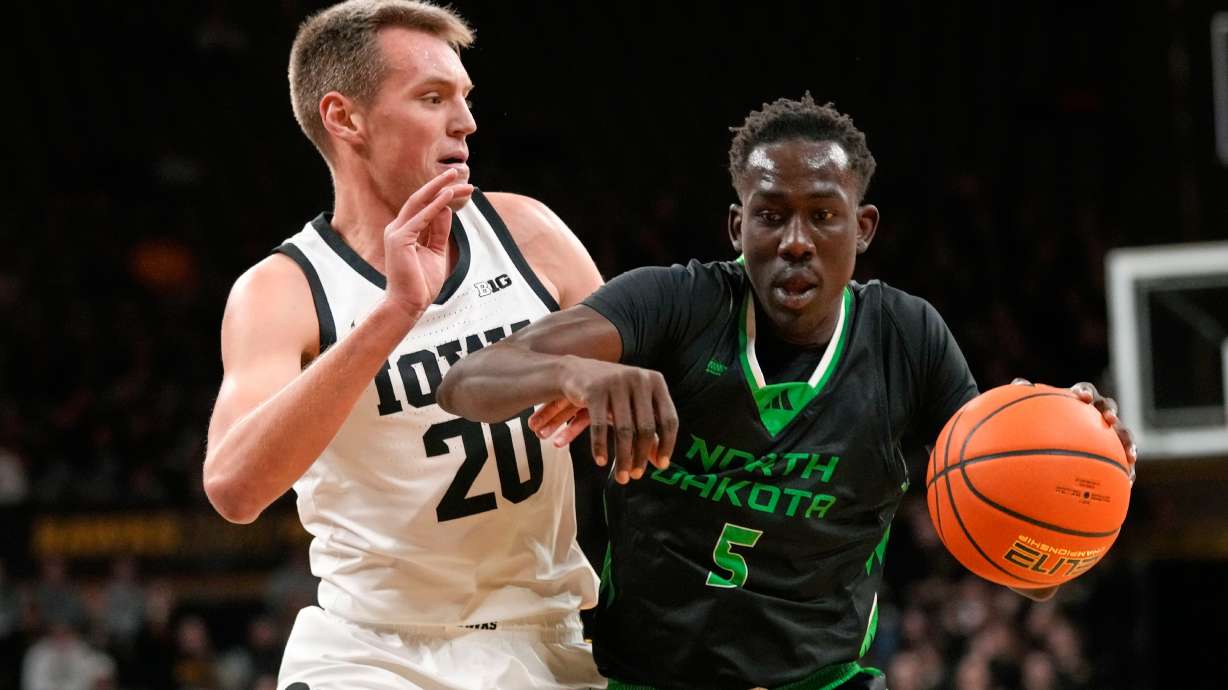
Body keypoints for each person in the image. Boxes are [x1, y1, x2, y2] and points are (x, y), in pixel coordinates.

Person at [436, 95, 1138, 689]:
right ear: (738, 228)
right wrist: (572, 371)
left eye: (823, 216)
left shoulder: (908, 337)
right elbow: (466, 381)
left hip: (825, 680)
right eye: (771, 215)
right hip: (646, 677)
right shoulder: (675, 304)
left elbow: (1022, 567)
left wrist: (1067, 476)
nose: (796, 240)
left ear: (861, 229)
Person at [202, 1, 605, 688]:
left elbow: (659, 394)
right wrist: (395, 313)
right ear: (344, 117)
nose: (466, 121)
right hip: (373, 650)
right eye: (432, 97)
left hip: (549, 635)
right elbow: (235, 489)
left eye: (465, 99)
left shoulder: (527, 232)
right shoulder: (284, 289)